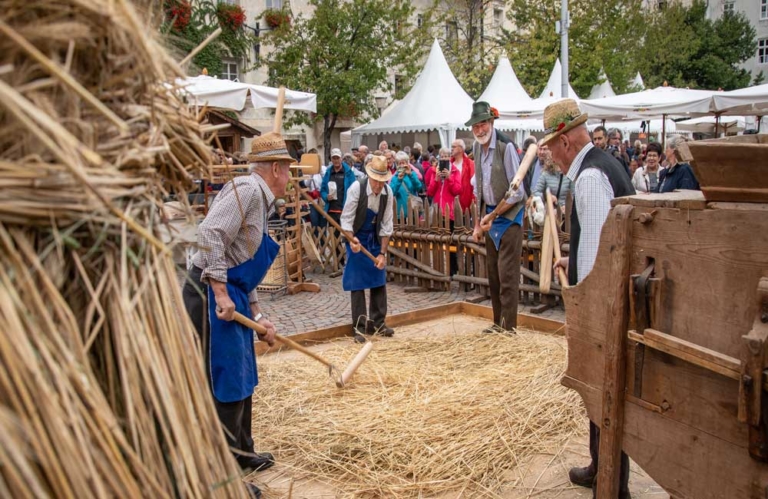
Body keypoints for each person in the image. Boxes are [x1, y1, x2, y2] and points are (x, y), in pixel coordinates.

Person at [182, 132, 297, 499]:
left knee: (243, 374)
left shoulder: (261, 201)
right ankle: (225, 476)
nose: (291, 178)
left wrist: (259, 314)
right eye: (289, 170)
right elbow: (210, 236)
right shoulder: (247, 191)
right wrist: (218, 293)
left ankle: (243, 452)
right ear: (276, 168)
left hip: (232, 293)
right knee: (225, 380)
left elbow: (242, 265)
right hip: (210, 295)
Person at [543, 99, 634, 498]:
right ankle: (602, 467)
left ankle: (614, 483)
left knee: (605, 394)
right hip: (610, 303)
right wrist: (571, 256)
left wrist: (585, 305)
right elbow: (595, 241)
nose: (552, 158)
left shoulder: (590, 177)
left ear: (565, 141)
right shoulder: (602, 163)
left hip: (605, 310)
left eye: (551, 148)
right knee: (600, 395)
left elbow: (602, 258)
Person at [468, 101, 525, 333]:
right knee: (493, 276)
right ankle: (497, 323)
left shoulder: (505, 147)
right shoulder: (475, 147)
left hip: (509, 217)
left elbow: (517, 192)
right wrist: (478, 223)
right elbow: (478, 190)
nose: (480, 130)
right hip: (489, 218)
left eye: (483, 125)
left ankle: (508, 328)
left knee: (507, 276)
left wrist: (492, 215)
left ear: (491, 123)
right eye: (476, 126)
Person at [340, 155, 395, 342]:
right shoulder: (357, 188)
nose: (379, 186)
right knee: (357, 283)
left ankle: (378, 324)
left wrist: (382, 253)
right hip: (356, 238)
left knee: (379, 278)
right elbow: (346, 220)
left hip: (375, 238)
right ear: (369, 176)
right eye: (376, 181)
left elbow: (387, 225)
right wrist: (351, 239)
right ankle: (360, 328)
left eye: (382, 182)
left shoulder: (388, 193)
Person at [321, 148, 357, 226]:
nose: (336, 160)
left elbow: (355, 190)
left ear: (341, 159)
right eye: (334, 158)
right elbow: (323, 189)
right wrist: (326, 196)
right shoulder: (328, 172)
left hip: (345, 210)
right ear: (331, 159)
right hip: (331, 210)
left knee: (345, 235)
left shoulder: (349, 173)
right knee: (333, 235)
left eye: (338, 158)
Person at [390, 151, 423, 220]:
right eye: (399, 163)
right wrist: (399, 180)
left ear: (407, 164)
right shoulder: (394, 178)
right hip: (400, 213)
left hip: (413, 211)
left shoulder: (412, 174)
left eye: (403, 163)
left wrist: (410, 175)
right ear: (397, 165)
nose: (402, 165)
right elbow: (392, 192)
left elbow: (419, 187)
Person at [450, 138, 475, 211]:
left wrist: (473, 201)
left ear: (461, 149)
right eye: (451, 147)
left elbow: (474, 184)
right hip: (450, 203)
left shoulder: (470, 164)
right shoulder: (449, 164)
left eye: (454, 147)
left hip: (465, 203)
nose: (451, 149)